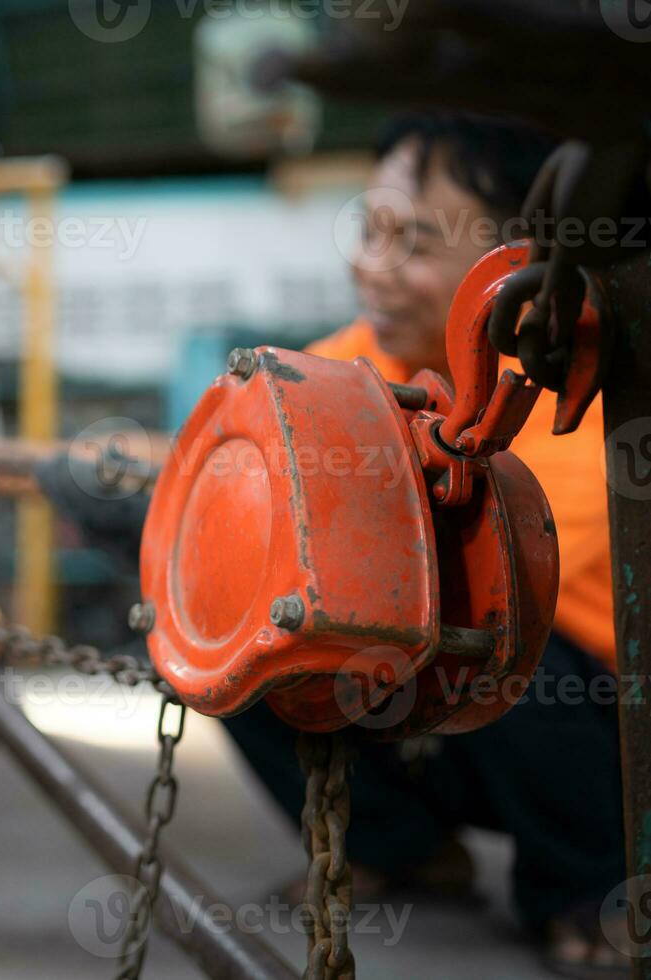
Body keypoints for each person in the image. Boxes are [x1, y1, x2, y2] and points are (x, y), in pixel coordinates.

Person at [40, 113, 622, 978]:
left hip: (596, 731)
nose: (371, 267)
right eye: (370, 228)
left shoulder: (588, 401)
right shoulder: (349, 368)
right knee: (227, 601)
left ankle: (586, 888)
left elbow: (457, 572)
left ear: (517, 265)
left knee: (495, 617)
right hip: (444, 719)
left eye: (414, 242)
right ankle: (402, 845)